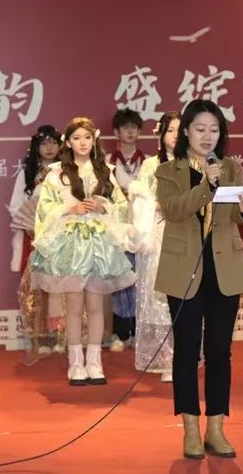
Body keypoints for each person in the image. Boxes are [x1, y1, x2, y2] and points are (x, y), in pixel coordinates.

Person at [154, 99, 243, 460]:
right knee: (186, 351)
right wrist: (206, 185)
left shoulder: (232, 167)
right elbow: (174, 210)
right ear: (186, 131)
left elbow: (238, 217)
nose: (207, 136)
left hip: (223, 267)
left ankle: (216, 428)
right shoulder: (168, 171)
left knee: (219, 352)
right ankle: (190, 430)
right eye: (200, 129)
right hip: (184, 268)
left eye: (214, 130)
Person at [30, 117, 135, 386]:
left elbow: (121, 206)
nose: (83, 143)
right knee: (74, 307)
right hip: (71, 245)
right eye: (76, 138)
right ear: (68, 142)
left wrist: (103, 207)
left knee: (96, 306)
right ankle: (76, 364)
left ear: (94, 140)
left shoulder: (105, 170)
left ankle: (95, 363)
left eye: (87, 138)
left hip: (99, 244)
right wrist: (70, 208)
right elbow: (44, 208)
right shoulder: (57, 173)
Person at [129, 112, 181, 383]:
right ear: (161, 134)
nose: (175, 136)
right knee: (161, 297)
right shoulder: (151, 165)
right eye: (170, 130)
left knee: (187, 295)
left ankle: (185, 355)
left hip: (187, 235)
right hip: (160, 233)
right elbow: (139, 200)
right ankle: (168, 358)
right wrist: (160, 206)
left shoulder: (195, 162)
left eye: (180, 130)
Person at [9, 125, 64, 364]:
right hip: (33, 239)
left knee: (60, 288)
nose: (49, 147)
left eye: (53, 142)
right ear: (36, 147)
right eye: (44, 143)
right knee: (35, 289)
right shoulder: (27, 173)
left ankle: (61, 336)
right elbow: (16, 206)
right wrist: (31, 226)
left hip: (60, 238)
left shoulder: (66, 171)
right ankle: (39, 339)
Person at [108, 108, 146, 352]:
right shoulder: (107, 162)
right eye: (125, 128)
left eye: (134, 127)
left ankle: (138, 331)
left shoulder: (149, 161)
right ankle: (120, 333)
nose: (130, 132)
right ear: (116, 132)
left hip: (142, 225)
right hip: (117, 226)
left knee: (141, 277)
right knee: (119, 278)